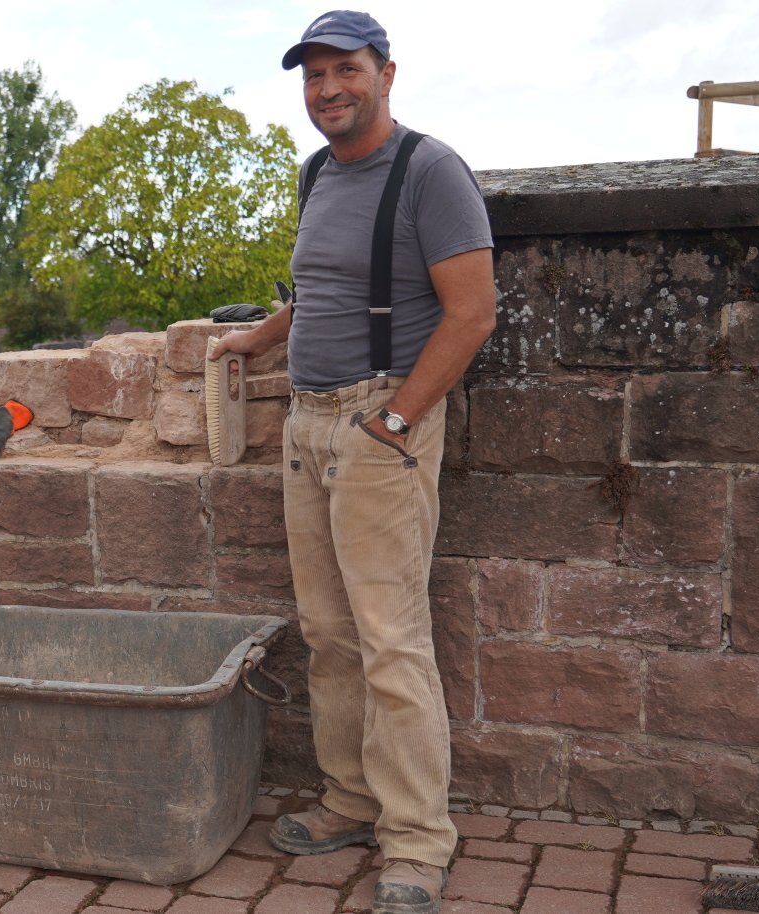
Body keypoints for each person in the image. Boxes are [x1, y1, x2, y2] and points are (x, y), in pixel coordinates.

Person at [212, 11, 496, 913]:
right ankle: (350, 799)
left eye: (346, 70)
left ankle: (416, 841)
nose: (328, 88)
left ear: (386, 73)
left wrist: (400, 420)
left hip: (381, 424)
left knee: (390, 640)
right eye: (314, 75)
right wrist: (255, 340)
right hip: (306, 426)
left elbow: (473, 312)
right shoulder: (315, 174)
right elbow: (321, 291)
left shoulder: (430, 171)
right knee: (329, 632)